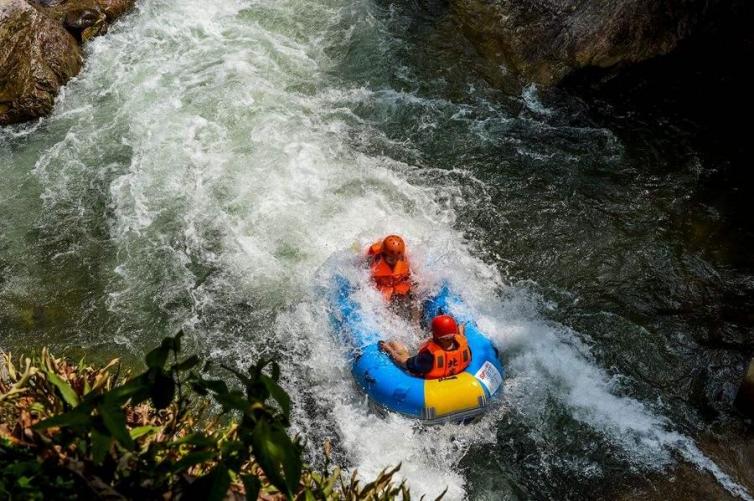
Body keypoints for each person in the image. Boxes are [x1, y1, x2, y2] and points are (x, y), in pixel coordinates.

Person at [379, 314, 471, 379]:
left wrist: (389, 349)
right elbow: (461, 332)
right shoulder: (465, 347)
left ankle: (393, 346)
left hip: (429, 383)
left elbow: (402, 362)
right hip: (454, 378)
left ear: (435, 335)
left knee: (395, 344)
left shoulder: (428, 357)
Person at [367, 235, 412, 302]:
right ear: (383, 255)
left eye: (397, 259)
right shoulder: (375, 264)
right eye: (391, 259)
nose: (394, 261)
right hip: (382, 284)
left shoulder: (403, 259)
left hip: (396, 283)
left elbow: (409, 278)